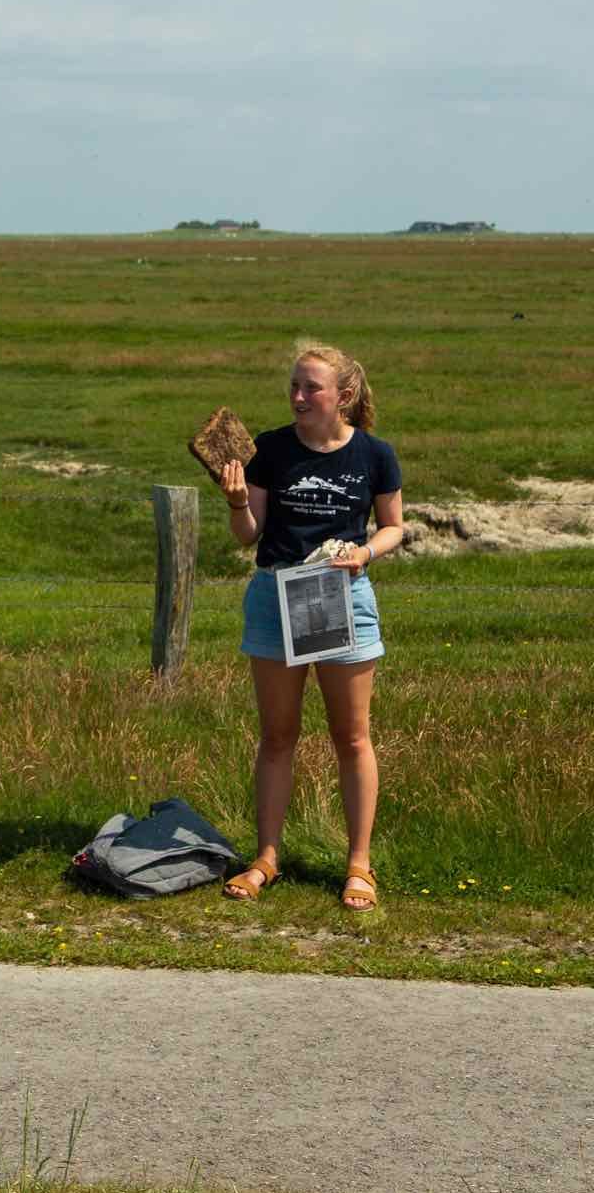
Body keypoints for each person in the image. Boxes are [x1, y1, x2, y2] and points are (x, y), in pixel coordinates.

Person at [217, 344, 404, 912]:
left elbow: (395, 527)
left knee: (351, 737)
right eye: (294, 387)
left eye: (311, 388)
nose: (298, 397)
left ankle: (358, 866)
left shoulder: (374, 454)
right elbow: (249, 535)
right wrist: (234, 504)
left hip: (342, 597)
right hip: (276, 597)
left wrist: (364, 553)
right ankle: (266, 858)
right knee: (277, 736)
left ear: (343, 396)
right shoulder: (269, 450)